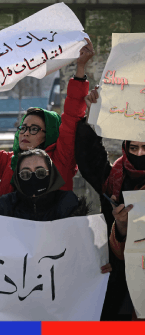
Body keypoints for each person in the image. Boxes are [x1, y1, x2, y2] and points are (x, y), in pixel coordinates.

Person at [0, 38, 95, 195]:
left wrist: (81, 67)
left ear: (49, 135)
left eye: (34, 129)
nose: (25, 133)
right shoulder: (9, 163)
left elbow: (72, 116)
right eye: (23, 128)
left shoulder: (60, 161)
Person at [75, 87, 144, 320]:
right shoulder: (114, 178)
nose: (139, 153)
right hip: (117, 275)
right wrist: (91, 116)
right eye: (133, 148)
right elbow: (90, 158)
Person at [0, 148, 111, 271]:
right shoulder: (4, 206)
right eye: (25, 174)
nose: (33, 178)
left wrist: (99, 261)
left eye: (41, 173)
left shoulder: (67, 204)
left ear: (51, 174)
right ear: (17, 177)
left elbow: (84, 246)